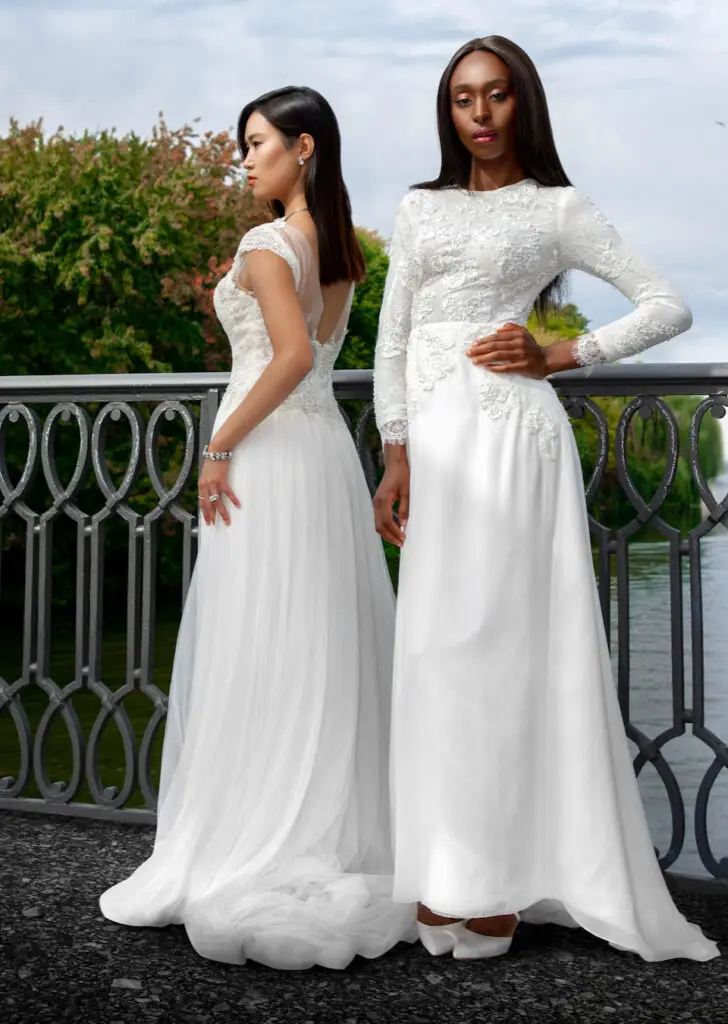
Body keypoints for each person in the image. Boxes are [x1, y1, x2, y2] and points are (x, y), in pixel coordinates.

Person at [373, 36, 720, 963]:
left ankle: (498, 879)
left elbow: (665, 304)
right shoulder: (418, 207)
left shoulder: (558, 208)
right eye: (460, 99)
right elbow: (392, 334)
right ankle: (445, 863)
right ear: (446, 113)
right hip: (435, 452)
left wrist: (560, 354)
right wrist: (393, 453)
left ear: (522, 102)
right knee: (439, 652)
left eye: (495, 96)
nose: (478, 114)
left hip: (511, 446)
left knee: (507, 652)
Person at [100, 86, 416, 970]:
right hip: (321, 460)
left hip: (267, 455)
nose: (243, 159)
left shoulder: (267, 242)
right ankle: (320, 821)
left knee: (257, 640)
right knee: (311, 641)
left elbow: (282, 359)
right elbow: (315, 358)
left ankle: (253, 833)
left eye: (255, 143)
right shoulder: (342, 252)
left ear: (302, 148)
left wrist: (217, 444)